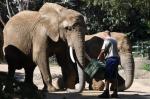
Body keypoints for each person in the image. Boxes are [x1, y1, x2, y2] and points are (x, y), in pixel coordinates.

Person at [97, 31, 120, 98]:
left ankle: (106, 92)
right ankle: (115, 92)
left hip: (111, 59)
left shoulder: (107, 40)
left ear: (105, 34)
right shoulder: (114, 40)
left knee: (107, 76)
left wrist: (98, 57)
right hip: (116, 59)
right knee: (114, 76)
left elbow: (103, 50)